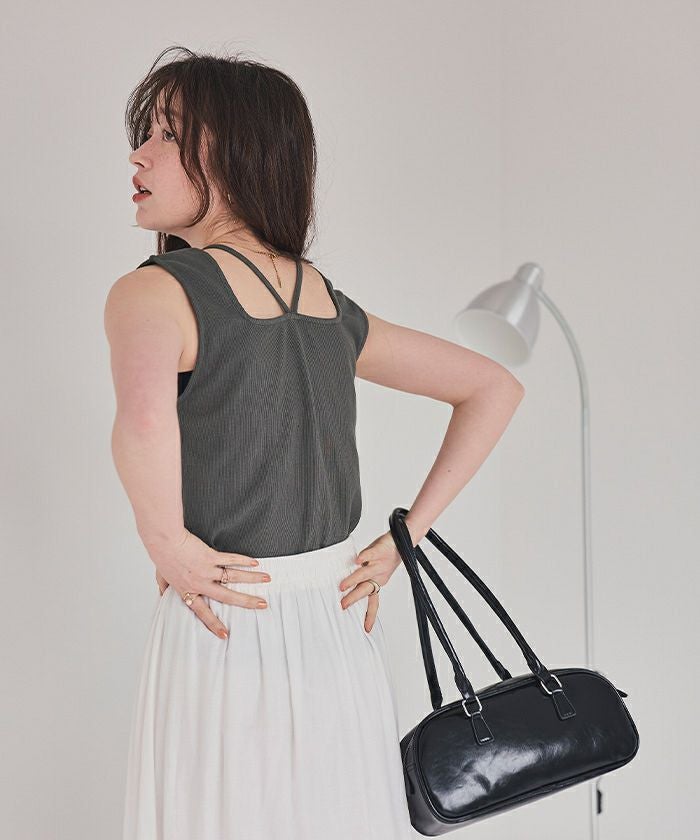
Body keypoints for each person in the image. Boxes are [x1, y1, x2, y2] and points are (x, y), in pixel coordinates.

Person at [104, 47, 525, 840]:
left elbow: (142, 423)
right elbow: (493, 386)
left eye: (167, 134)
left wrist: (166, 544)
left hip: (223, 616)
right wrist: (406, 538)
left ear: (235, 152)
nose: (139, 155)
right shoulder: (327, 302)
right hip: (336, 625)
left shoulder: (152, 292)